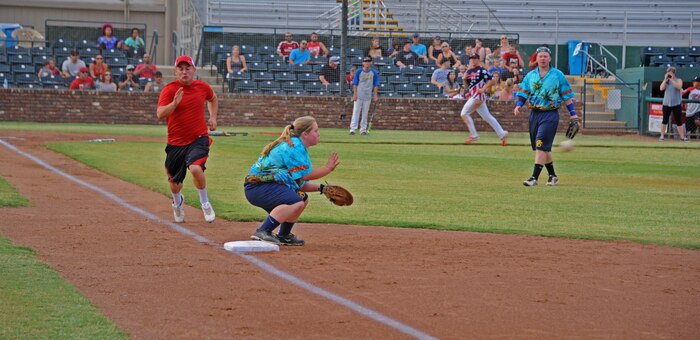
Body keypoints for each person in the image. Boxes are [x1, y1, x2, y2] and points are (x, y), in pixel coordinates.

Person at [244, 116, 339, 246]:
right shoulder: (294, 147)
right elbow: (306, 175)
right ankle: (263, 231)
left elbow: (299, 183)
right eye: (316, 131)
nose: (318, 134)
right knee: (296, 202)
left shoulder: (295, 145)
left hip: (264, 186)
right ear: (305, 134)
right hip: (258, 187)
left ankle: (284, 235)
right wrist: (327, 168)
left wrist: (321, 188)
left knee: (302, 198)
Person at [156, 55, 219, 223]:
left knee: (196, 169)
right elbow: (160, 114)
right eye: (180, 69)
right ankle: (177, 203)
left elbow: (212, 98)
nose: (184, 72)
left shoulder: (202, 87)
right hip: (176, 143)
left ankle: (205, 203)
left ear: (194, 70)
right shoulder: (170, 90)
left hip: (198, 138)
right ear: (175, 72)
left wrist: (213, 118)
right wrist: (174, 104)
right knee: (175, 184)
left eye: (187, 68)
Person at [514, 46, 577, 187]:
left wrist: (573, 114)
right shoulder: (531, 75)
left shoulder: (558, 75)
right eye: (540, 56)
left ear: (550, 58)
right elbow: (524, 92)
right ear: (536, 59)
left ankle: (534, 178)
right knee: (543, 148)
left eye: (545, 56)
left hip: (550, 114)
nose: (543, 59)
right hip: (534, 114)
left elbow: (566, 95)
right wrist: (519, 105)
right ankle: (553, 176)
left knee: (541, 145)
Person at [460, 54, 509, 146]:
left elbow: (492, 80)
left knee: (464, 113)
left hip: (478, 95)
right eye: (471, 59)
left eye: (474, 59)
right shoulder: (469, 71)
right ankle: (502, 134)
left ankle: (474, 135)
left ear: (478, 60)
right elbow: (467, 86)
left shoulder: (482, 70)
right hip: (473, 94)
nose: (472, 60)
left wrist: (483, 88)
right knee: (487, 117)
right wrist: (464, 78)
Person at [349, 57, 380, 135]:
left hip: (368, 96)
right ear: (363, 63)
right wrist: (354, 94)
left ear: (371, 63)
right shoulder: (359, 72)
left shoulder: (374, 72)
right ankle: (352, 129)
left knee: (365, 113)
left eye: (369, 61)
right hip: (359, 95)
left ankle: (363, 129)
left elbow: (376, 84)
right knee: (356, 111)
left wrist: (375, 95)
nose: (367, 63)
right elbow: (355, 84)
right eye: (365, 61)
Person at [659, 66, 687, 142]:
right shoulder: (666, 81)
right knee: (664, 120)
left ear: (674, 73)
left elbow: (679, 87)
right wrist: (665, 79)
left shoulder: (678, 80)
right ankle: (662, 136)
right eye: (669, 72)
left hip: (676, 104)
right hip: (666, 104)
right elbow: (661, 88)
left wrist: (672, 79)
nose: (670, 74)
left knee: (679, 121)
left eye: (672, 72)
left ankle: (682, 137)